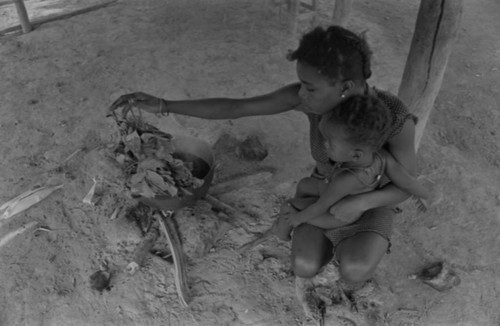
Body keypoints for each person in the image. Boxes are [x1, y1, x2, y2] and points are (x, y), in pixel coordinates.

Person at [109, 25, 418, 297]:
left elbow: (406, 186)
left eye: (309, 87)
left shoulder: (393, 117)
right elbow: (236, 107)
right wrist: (163, 104)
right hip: (321, 194)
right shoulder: (311, 100)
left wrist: (361, 204)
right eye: (301, 84)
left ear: (346, 87)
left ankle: (353, 244)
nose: (301, 94)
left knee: (354, 269)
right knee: (304, 265)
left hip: (370, 200)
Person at [274, 94, 437, 242]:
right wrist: (425, 194)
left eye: (330, 143)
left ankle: (281, 233)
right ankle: (291, 219)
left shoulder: (345, 180)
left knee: (288, 206)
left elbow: (320, 206)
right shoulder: (380, 155)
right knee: (303, 184)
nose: (324, 145)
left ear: (356, 155)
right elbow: (407, 182)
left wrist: (298, 218)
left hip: (333, 215)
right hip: (341, 195)